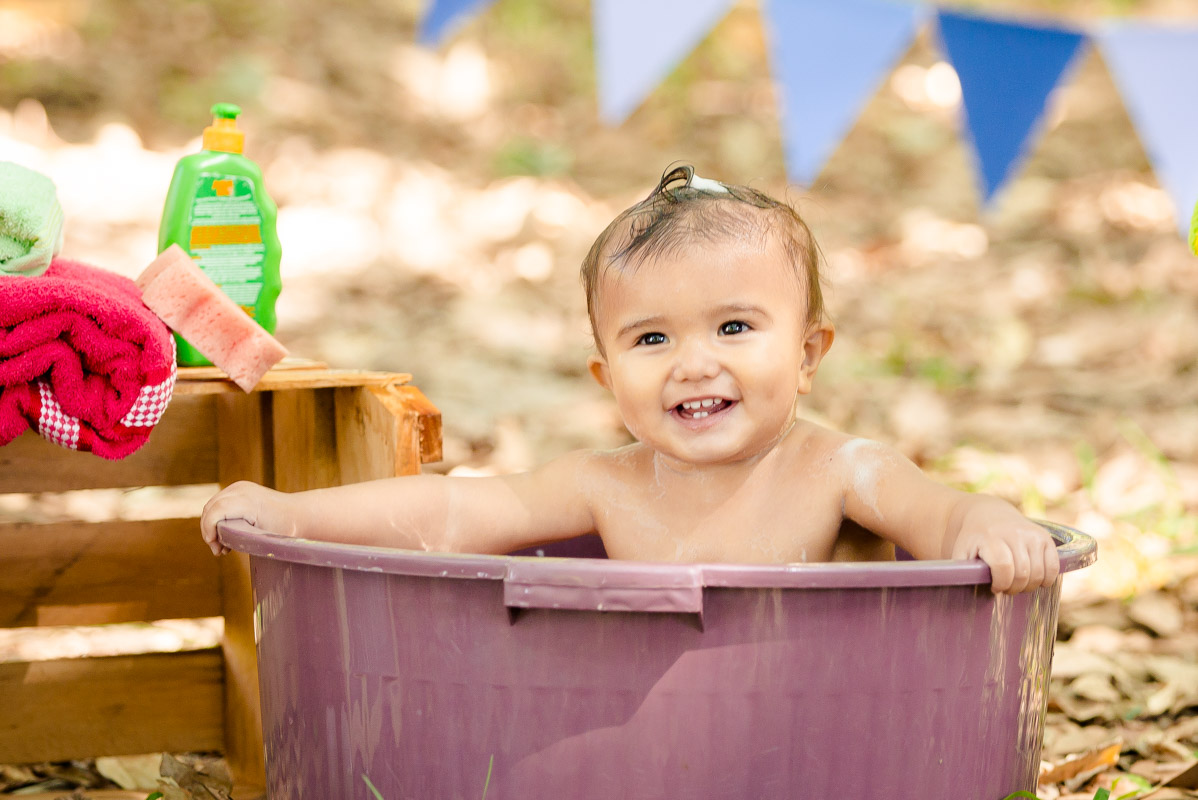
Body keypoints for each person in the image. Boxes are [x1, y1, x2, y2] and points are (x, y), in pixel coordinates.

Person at [201, 164, 1059, 593]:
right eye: (652, 338)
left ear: (806, 356)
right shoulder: (605, 484)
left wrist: (988, 523)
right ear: (607, 375)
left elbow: (934, 512)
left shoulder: (836, 471)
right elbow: (454, 510)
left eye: (733, 327)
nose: (693, 362)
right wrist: (292, 514)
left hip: (810, 736)